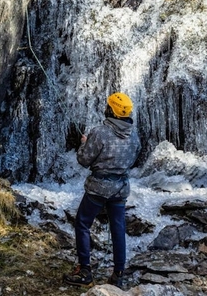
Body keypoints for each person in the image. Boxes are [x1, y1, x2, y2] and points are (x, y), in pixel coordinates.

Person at [64, 92, 141, 288]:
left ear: (110, 110)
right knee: (118, 229)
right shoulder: (134, 134)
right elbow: (133, 158)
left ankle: (85, 271)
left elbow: (84, 160)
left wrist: (83, 144)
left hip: (98, 188)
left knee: (82, 223)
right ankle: (119, 275)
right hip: (120, 189)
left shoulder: (99, 132)